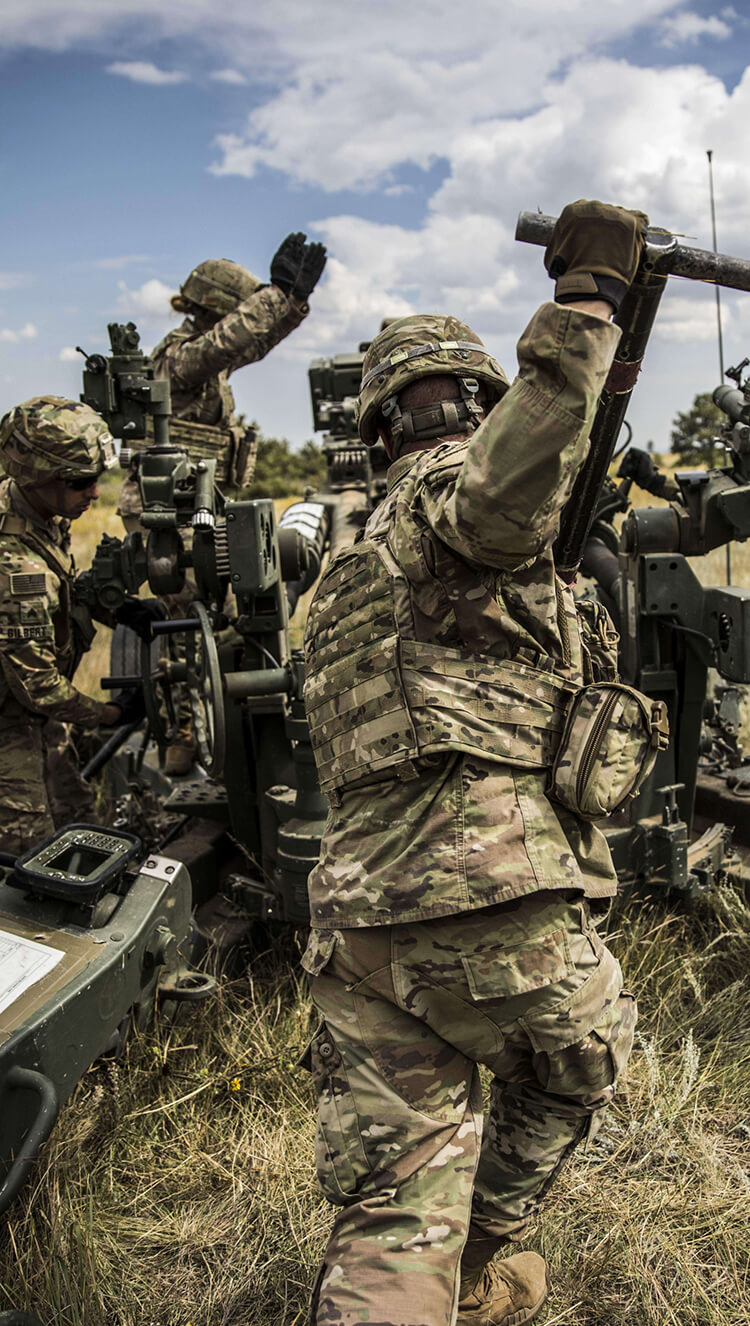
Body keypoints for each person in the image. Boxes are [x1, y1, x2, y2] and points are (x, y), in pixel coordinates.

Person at [300, 201, 649, 1325]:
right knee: (580, 1058)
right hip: (492, 899)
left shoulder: (335, 585)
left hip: (356, 928)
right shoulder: (454, 506)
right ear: (478, 405)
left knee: (395, 1211)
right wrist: (591, 300)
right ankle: (485, 1253)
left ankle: (432, 1270)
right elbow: (501, 493)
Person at [118, 232, 327, 774]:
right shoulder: (178, 356)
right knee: (186, 620)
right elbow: (228, 342)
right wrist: (275, 295)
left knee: (229, 615)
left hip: (197, 505)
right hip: (168, 512)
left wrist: (290, 305)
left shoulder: (207, 362)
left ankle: (235, 720)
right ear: (215, 309)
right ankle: (182, 734)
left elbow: (248, 343)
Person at [0, 396, 160, 854]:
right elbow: (40, 687)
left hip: (36, 722)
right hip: (12, 726)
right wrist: (109, 714)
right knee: (25, 862)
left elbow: (62, 591)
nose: (93, 493)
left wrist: (117, 609)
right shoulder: (16, 567)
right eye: (80, 483)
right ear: (38, 476)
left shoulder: (33, 510)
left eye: (97, 480)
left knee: (80, 827)